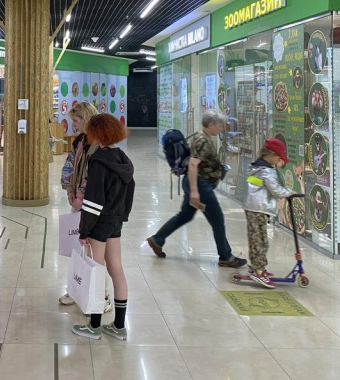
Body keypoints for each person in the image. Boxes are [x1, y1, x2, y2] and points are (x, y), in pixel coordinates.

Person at [147, 111, 246, 269]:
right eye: (219, 126)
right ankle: (226, 257)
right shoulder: (202, 140)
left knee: (185, 216)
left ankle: (157, 239)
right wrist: (194, 192)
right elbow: (193, 165)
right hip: (200, 185)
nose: (221, 129)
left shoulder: (204, 137)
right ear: (211, 125)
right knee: (217, 220)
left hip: (198, 184)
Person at [72, 114, 135, 341]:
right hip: (115, 221)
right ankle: (119, 326)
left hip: (99, 222)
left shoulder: (98, 161)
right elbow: (129, 192)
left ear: (97, 133)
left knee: (96, 271)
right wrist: (121, 216)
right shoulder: (124, 159)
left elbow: (93, 201)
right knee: (116, 269)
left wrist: (84, 230)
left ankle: (95, 325)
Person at [59, 102, 114, 312]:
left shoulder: (100, 143)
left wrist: (81, 195)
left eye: (76, 120)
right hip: (78, 203)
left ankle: (103, 295)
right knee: (79, 249)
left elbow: (94, 175)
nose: (73, 124)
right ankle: (77, 289)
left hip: (94, 205)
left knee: (95, 253)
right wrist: (69, 191)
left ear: (86, 118)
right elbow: (69, 165)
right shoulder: (79, 141)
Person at [243, 139, 295, 287]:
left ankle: (257, 267)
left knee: (257, 239)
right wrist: (289, 192)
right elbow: (276, 190)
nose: (279, 161)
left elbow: (259, 186)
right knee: (259, 241)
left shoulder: (256, 167)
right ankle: (259, 271)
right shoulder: (267, 171)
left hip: (254, 207)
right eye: (279, 158)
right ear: (271, 155)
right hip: (257, 208)